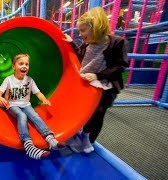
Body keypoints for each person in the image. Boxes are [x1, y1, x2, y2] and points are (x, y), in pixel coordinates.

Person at [63, 7, 128, 153]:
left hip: (105, 87)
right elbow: (80, 57)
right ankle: (82, 138)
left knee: (96, 115)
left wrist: (98, 76)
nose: (81, 35)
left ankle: (87, 143)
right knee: (84, 112)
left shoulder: (117, 42)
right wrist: (72, 43)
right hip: (87, 85)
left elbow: (120, 66)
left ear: (95, 27)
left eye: (83, 31)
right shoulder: (88, 44)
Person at [0, 53, 64, 160]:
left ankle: (50, 139)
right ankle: (28, 145)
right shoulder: (8, 80)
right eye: (21, 63)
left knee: (35, 116)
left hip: (26, 104)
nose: (24, 66)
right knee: (22, 116)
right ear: (13, 66)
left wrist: (44, 99)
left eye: (26, 64)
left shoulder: (29, 80)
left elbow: (38, 93)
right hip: (12, 105)